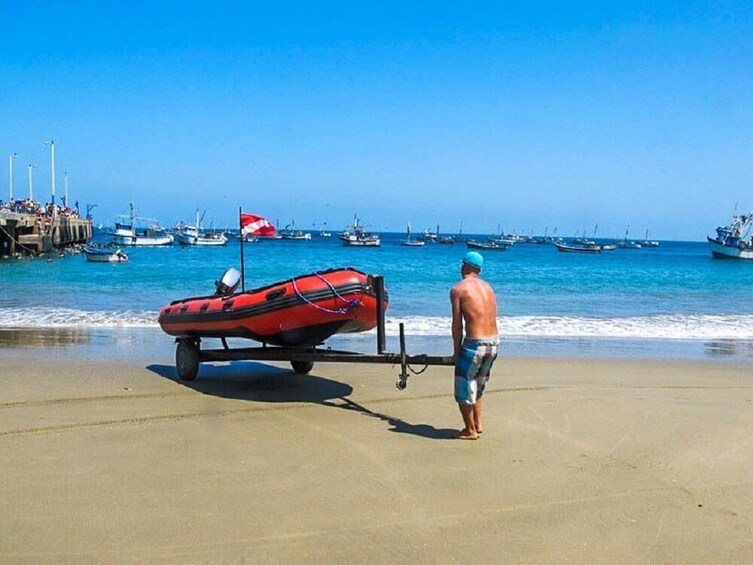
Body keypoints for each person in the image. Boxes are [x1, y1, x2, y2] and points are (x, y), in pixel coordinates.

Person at [450, 251, 499, 440]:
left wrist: (456, 351)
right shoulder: (488, 288)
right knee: (478, 386)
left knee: (464, 388)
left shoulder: (459, 289)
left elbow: (457, 324)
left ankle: (469, 431)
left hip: (474, 344)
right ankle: (478, 424)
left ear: (465, 266)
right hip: (494, 342)